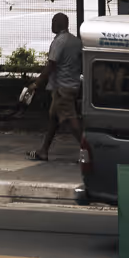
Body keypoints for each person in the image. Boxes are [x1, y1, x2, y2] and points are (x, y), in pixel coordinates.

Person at [26, 11, 83, 163]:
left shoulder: (59, 42)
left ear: (59, 24)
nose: (51, 25)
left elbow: (51, 65)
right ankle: (43, 150)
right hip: (72, 85)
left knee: (71, 119)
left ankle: (88, 151)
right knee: (54, 119)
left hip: (62, 88)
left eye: (53, 22)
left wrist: (36, 84)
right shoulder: (76, 41)